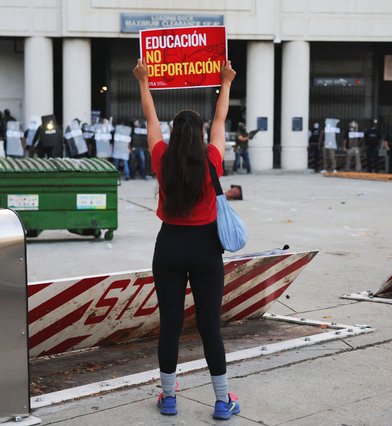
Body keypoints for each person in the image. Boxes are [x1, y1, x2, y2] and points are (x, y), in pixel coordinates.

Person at [133, 58, 240, 420]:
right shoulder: (212, 159)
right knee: (210, 326)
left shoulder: (162, 158)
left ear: (174, 135)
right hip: (205, 250)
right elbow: (221, 121)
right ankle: (223, 402)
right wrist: (225, 83)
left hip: (169, 248)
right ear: (200, 135)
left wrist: (144, 82)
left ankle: (169, 398)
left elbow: (150, 120)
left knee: (171, 325)